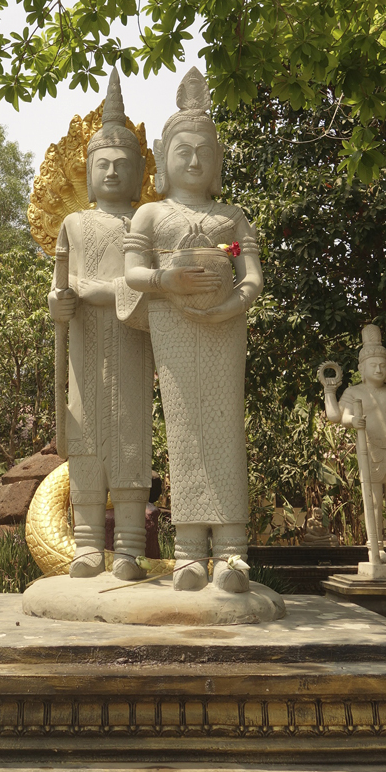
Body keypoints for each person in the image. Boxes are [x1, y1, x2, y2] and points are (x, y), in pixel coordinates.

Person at [123, 67, 263, 594]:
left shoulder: (232, 215)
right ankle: (187, 552)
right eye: (183, 150)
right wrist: (167, 279)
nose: (195, 161)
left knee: (225, 427)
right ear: (163, 157)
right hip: (172, 320)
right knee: (182, 428)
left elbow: (253, 279)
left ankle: (231, 553)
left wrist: (230, 306)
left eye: (205, 151)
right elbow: (132, 274)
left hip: (224, 326)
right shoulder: (151, 214)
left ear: (219, 161)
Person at [48, 69, 154, 581]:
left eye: (122, 164)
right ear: (88, 173)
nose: (112, 172)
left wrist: (94, 292)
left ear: (139, 174)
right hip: (85, 352)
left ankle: (129, 548)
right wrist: (59, 306)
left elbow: (146, 289)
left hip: (133, 345)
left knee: (131, 443)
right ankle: (88, 545)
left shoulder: (146, 224)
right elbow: (58, 291)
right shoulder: (73, 225)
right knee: (86, 439)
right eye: (103, 163)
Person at [321, 326, 386, 564]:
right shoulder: (354, 391)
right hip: (369, 448)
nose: (379, 369)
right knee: (374, 499)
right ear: (362, 369)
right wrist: (332, 395)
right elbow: (337, 416)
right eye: (374, 365)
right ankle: (376, 548)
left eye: (382, 365)